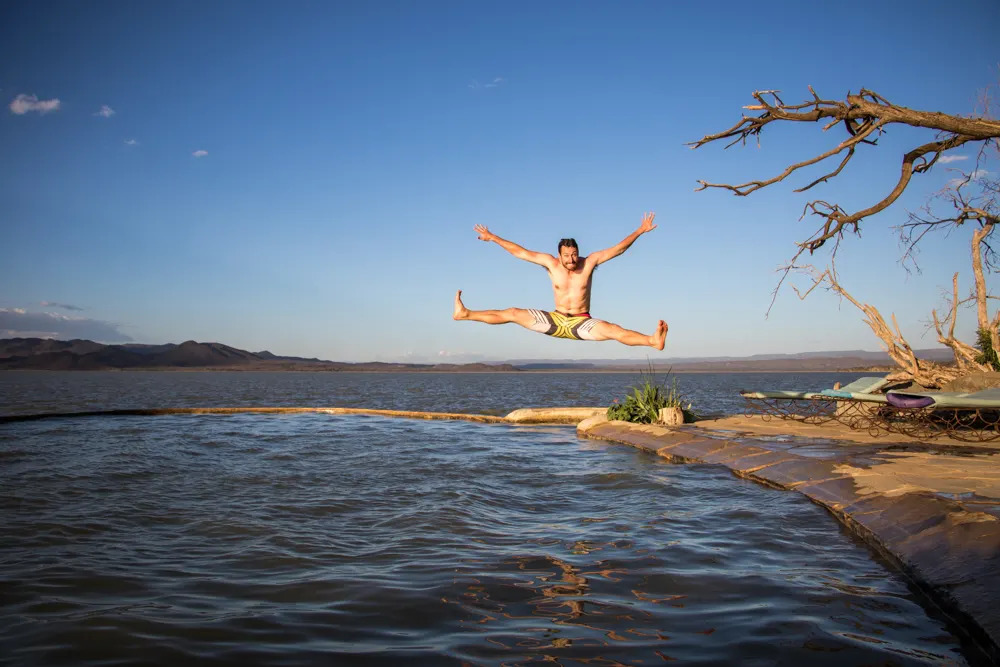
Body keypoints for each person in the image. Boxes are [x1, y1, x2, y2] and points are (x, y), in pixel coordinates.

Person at [453, 212, 668, 350]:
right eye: (567, 255)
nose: (571, 259)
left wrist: (640, 230)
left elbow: (618, 249)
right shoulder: (550, 264)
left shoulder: (589, 262)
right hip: (555, 321)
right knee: (512, 313)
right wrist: (493, 238)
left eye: (574, 254)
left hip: (582, 322)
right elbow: (519, 252)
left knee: (614, 330)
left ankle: (652, 341)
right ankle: (465, 314)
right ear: (559, 255)